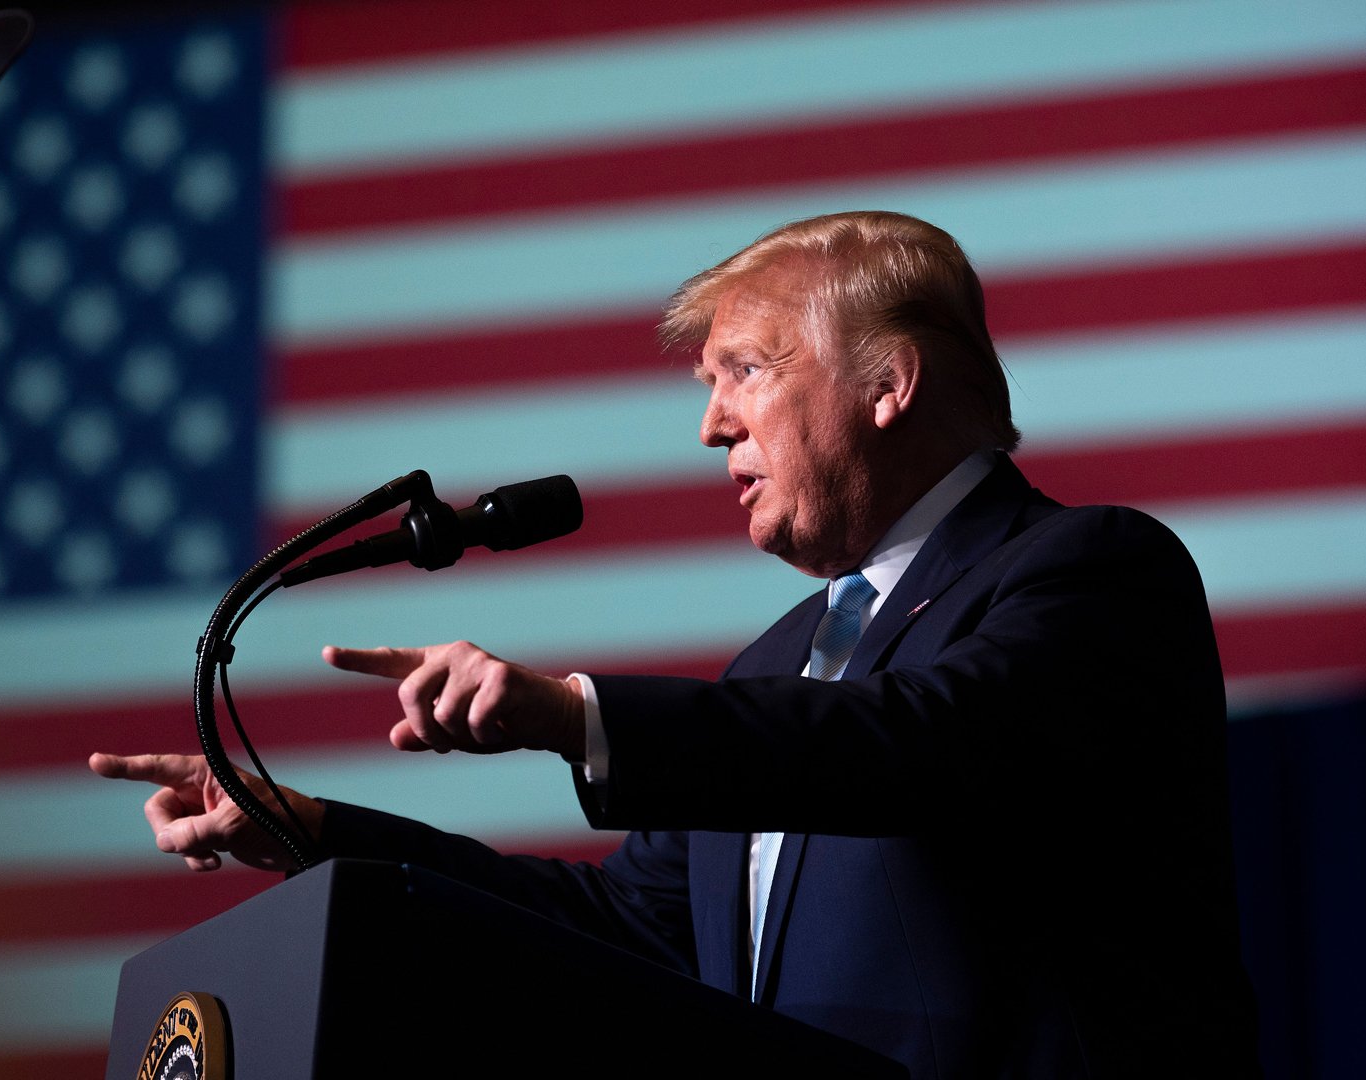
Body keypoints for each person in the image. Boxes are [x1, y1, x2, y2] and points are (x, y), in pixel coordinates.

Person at [91, 211, 1260, 1077]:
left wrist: (578, 716)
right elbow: (623, 932)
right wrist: (313, 831)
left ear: (889, 384)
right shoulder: (775, 664)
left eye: (745, 371)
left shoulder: (1091, 571)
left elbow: (925, 743)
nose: (711, 424)